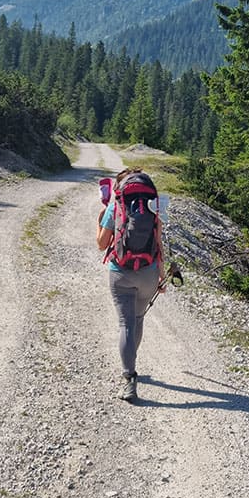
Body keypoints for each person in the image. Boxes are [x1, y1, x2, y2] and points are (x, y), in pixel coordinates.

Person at [96, 167, 166, 401]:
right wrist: (161, 276)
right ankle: (131, 358)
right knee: (137, 319)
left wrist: (100, 219)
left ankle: (129, 377)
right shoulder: (155, 204)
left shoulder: (115, 205)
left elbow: (101, 243)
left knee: (125, 324)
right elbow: (159, 242)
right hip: (148, 271)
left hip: (121, 271)